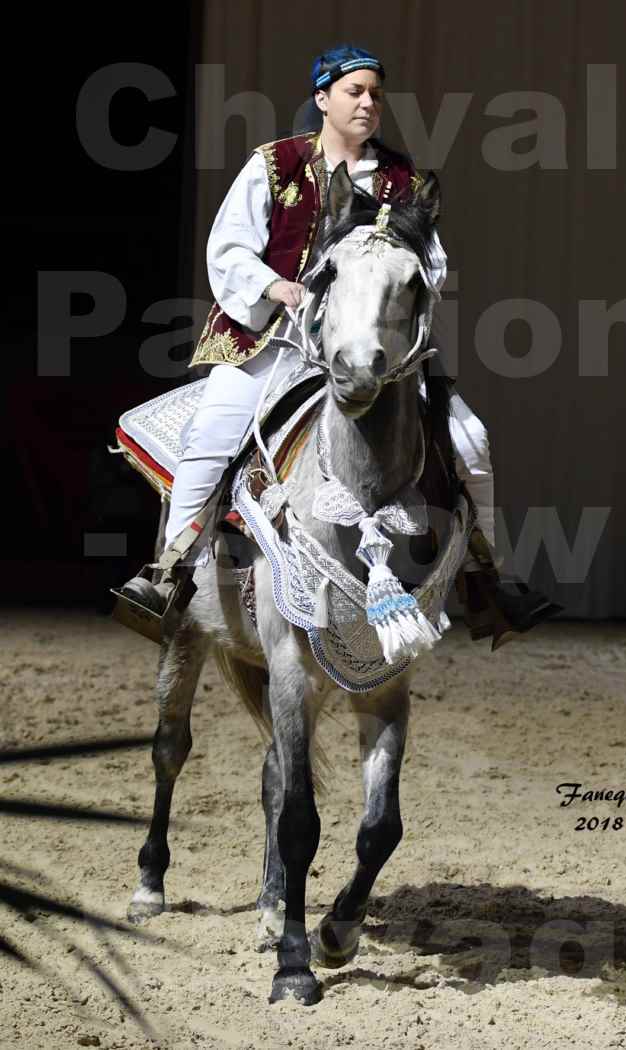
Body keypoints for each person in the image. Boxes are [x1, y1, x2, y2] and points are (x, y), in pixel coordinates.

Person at [118, 45, 559, 645]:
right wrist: (276, 286)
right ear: (322, 99)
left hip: (374, 345)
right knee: (212, 434)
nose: (368, 103)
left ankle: (487, 578)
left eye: (376, 93)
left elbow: (434, 262)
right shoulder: (274, 165)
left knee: (469, 440)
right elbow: (227, 249)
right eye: (354, 91)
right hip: (271, 339)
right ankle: (170, 570)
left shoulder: (404, 182)